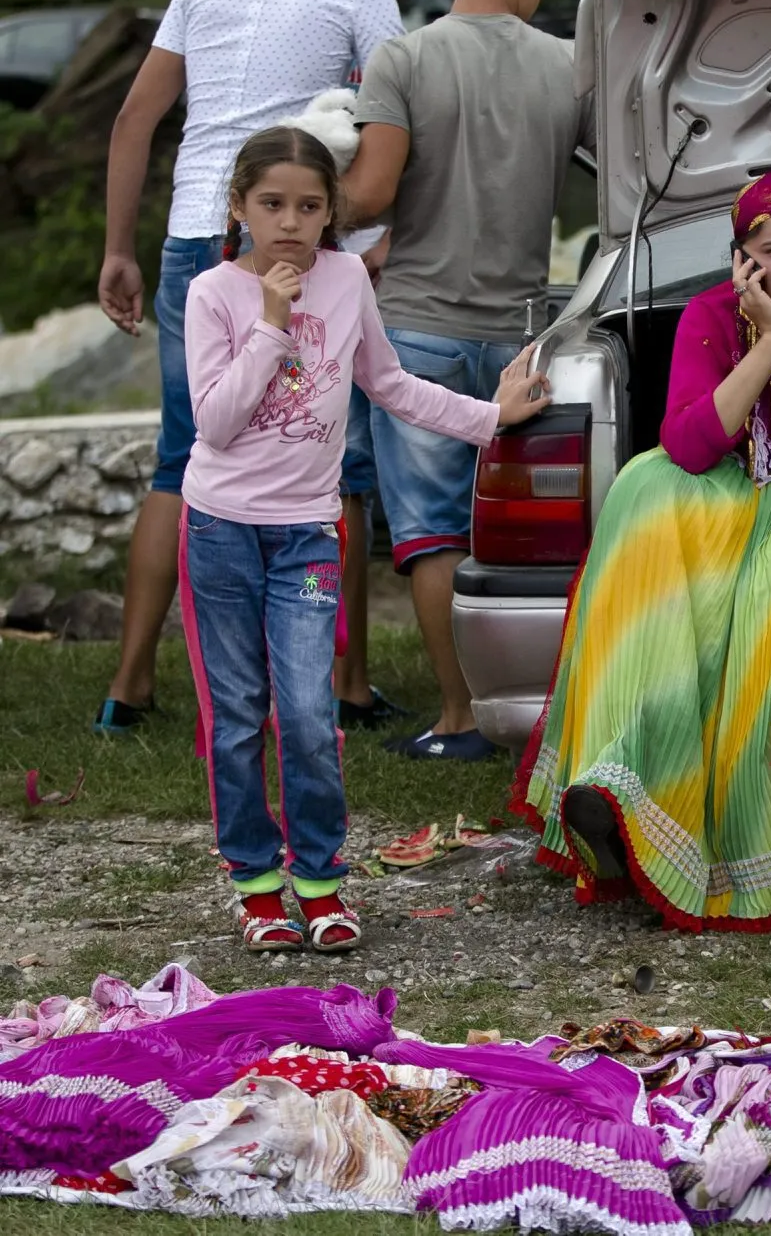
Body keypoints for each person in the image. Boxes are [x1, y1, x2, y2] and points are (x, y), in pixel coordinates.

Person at [512, 169, 771, 931]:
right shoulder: (710, 315)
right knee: (646, 481)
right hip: (734, 498)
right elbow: (692, 445)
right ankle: (621, 780)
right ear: (743, 262)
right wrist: (769, 333)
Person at [178, 127, 545, 950]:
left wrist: (491, 418)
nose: (290, 222)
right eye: (271, 204)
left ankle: (319, 880)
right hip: (221, 532)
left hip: (307, 535)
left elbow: (389, 384)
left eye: (310, 207)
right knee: (237, 714)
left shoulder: (345, 280)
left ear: (330, 215)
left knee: (308, 712)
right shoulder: (212, 295)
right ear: (240, 206)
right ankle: (257, 884)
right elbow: (216, 421)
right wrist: (271, 324)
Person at [92, 0, 406, 735]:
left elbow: (135, 118)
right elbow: (395, 118)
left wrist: (119, 247)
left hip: (194, 233)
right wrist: (371, 236)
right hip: (293, 244)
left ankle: (130, 687)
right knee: (327, 455)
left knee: (182, 458)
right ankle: (344, 684)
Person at [343, 0, 591, 761]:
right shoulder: (568, 66)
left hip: (417, 326)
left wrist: (299, 210)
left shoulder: (402, 60)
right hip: (524, 336)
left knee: (432, 533)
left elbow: (371, 196)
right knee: (521, 534)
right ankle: (538, 703)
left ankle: (460, 717)